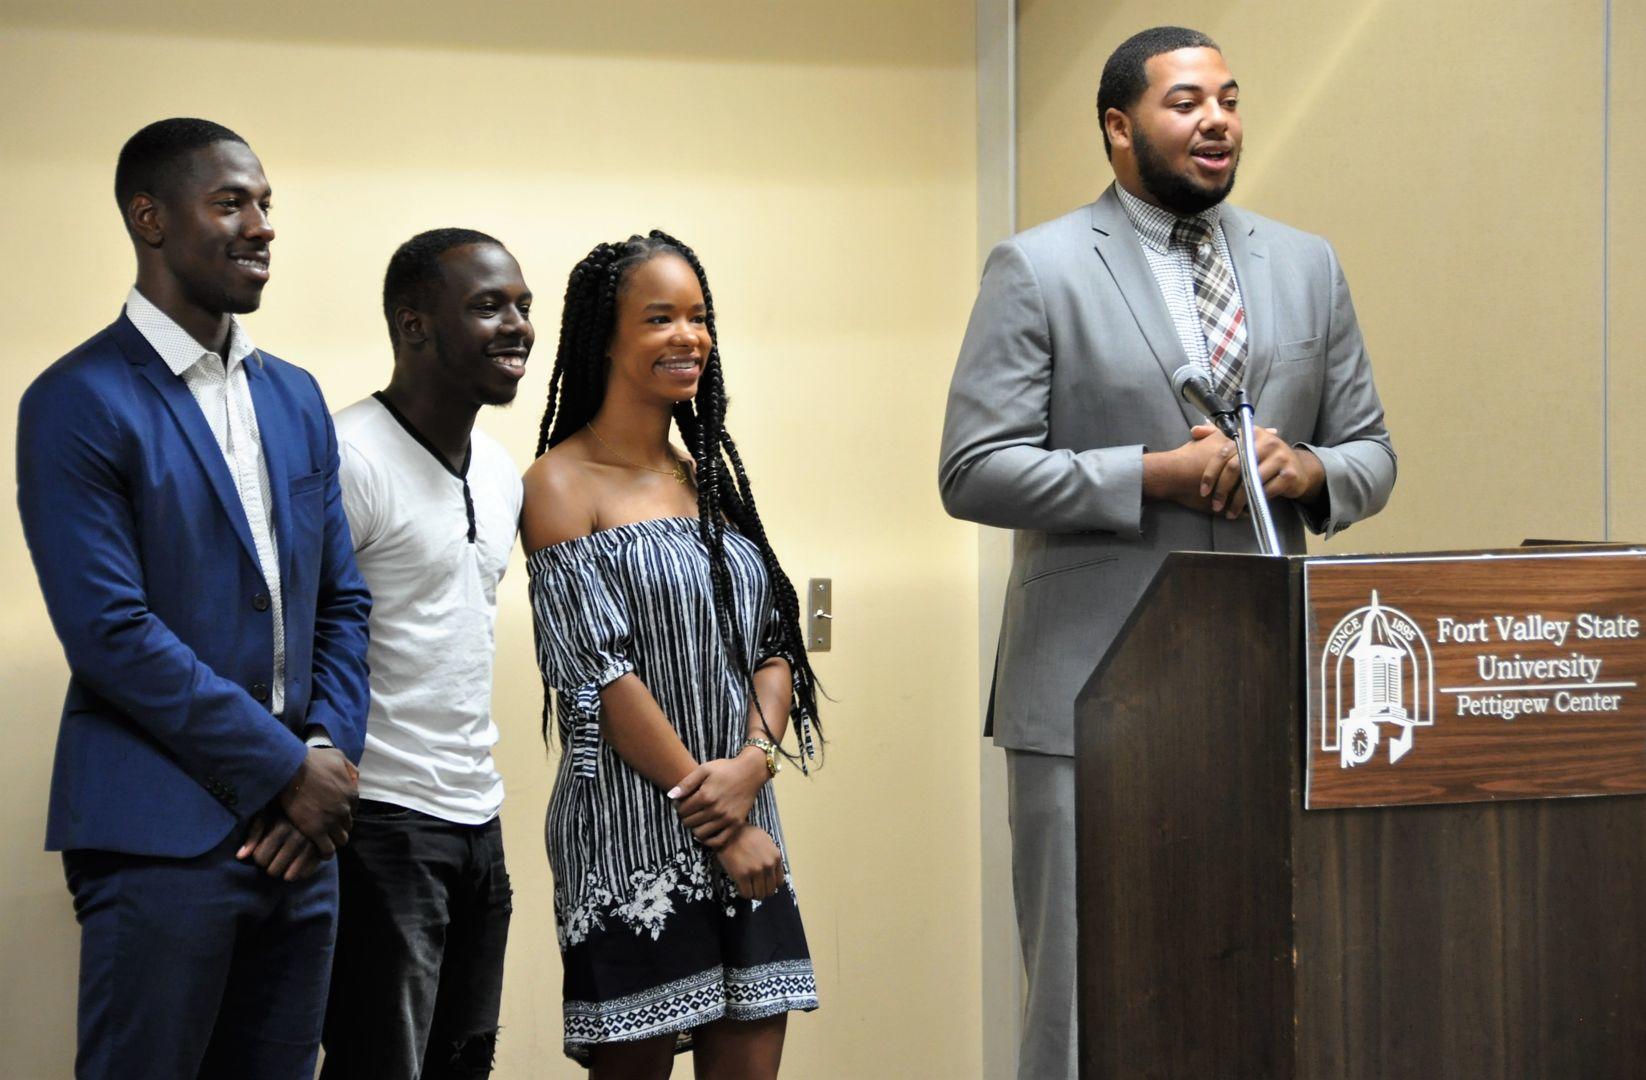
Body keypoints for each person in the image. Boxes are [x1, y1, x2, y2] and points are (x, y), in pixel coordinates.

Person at [939, 26, 1397, 1079]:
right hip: (1082, 695)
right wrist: (1147, 475)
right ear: (1117, 127)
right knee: (1077, 999)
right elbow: (972, 470)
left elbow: (1370, 452)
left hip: (1262, 688)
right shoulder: (1037, 267)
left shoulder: (1305, 264)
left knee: (1255, 979)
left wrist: (1307, 469)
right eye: (1185, 103)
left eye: (1228, 100)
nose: (1216, 122)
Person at [15, 117, 371, 1078]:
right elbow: (110, 634)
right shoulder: (76, 399)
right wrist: (279, 772)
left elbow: (341, 602)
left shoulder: (295, 396)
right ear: (150, 219)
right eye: (230, 203)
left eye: (266, 204)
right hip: (159, 839)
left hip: (302, 841)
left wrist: (325, 759)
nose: (260, 225)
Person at [521, 231, 822, 1076]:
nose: (687, 337)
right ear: (604, 339)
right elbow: (598, 674)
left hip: (746, 812)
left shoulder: (709, 481)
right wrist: (715, 817)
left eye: (698, 317)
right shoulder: (557, 484)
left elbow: (772, 648)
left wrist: (753, 768)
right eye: (660, 318)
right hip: (630, 834)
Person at [319, 228, 531, 1078]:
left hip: (478, 814)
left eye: (522, 305)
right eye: (488, 306)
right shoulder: (349, 455)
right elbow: (303, 643)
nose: (516, 324)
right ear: (414, 325)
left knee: (462, 1063)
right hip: (382, 824)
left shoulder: (501, 468)